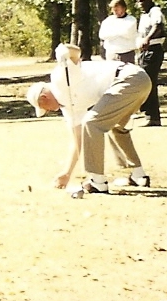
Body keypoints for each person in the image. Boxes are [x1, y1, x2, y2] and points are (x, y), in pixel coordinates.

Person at [26, 43, 152, 195]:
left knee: (92, 122)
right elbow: (78, 140)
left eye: (44, 107)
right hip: (138, 81)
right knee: (116, 127)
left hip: (130, 77)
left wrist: (64, 50)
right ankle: (139, 175)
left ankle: (97, 182)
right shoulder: (67, 107)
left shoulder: (60, 77)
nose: (47, 111)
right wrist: (67, 173)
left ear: (44, 98)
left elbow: (76, 53)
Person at [134, 0, 166, 127]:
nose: (140, 0)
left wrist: (148, 38)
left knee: (148, 82)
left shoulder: (155, 11)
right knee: (145, 82)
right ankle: (149, 113)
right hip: (144, 52)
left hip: (153, 50)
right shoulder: (144, 15)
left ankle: (153, 116)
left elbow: (158, 26)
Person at [98, 0, 138, 64]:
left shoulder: (131, 20)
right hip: (111, 54)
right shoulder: (108, 20)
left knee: (128, 74)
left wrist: (112, 31)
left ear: (124, 8)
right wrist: (119, 32)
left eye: (117, 9)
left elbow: (127, 33)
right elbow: (102, 35)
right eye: (114, 9)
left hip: (127, 54)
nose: (115, 11)